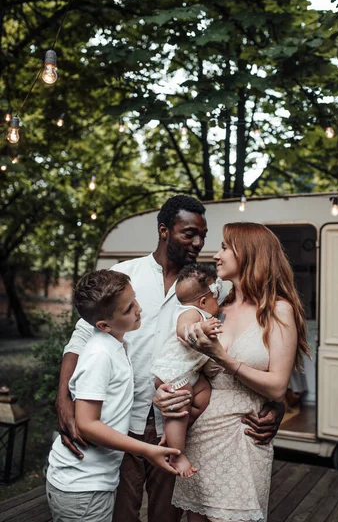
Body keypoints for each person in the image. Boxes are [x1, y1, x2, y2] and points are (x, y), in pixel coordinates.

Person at [56, 196, 285, 522]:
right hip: (123, 423)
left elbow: (250, 345)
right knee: (123, 512)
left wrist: (273, 402)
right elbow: (80, 339)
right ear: (164, 230)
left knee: (167, 516)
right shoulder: (124, 275)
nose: (199, 242)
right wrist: (63, 398)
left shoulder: (214, 287)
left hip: (181, 425)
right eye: (189, 233)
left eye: (203, 235)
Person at [173, 222, 310, 522]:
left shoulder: (278, 310)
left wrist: (223, 357)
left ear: (248, 254)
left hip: (244, 435)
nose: (217, 255)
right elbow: (192, 365)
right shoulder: (216, 306)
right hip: (201, 433)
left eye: (224, 247)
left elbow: (276, 387)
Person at [46, 270, 180, 522]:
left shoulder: (117, 345)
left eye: (135, 300)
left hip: (95, 482)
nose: (139, 309)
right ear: (103, 325)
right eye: (129, 309)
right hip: (82, 486)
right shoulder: (100, 354)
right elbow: (86, 424)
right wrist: (147, 450)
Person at [152, 263, 223, 478]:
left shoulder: (199, 311)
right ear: (203, 301)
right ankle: (177, 453)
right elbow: (183, 331)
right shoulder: (190, 313)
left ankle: (175, 428)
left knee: (203, 397)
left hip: (189, 373)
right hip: (174, 373)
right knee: (180, 408)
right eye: (215, 298)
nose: (217, 303)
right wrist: (201, 328)